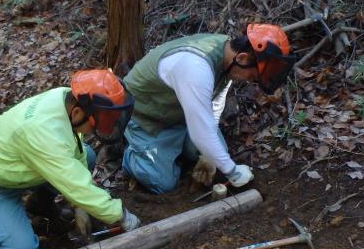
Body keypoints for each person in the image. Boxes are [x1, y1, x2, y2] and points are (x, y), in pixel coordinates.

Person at [0, 69, 141, 249]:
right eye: (96, 123)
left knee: (88, 155)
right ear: (77, 113)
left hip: (20, 163)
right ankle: (1, 221)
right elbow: (74, 182)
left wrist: (79, 206)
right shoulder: (43, 132)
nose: (98, 129)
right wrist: (120, 215)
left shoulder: (67, 99)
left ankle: (40, 202)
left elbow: (75, 152)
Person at [122, 24, 296, 194]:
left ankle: (174, 152)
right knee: (160, 182)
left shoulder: (227, 56)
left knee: (216, 150)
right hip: (147, 120)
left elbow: (214, 102)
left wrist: (209, 156)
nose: (250, 80)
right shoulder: (196, 68)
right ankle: (132, 153)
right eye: (253, 75)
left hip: (181, 115)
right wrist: (232, 171)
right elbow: (201, 130)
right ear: (242, 58)